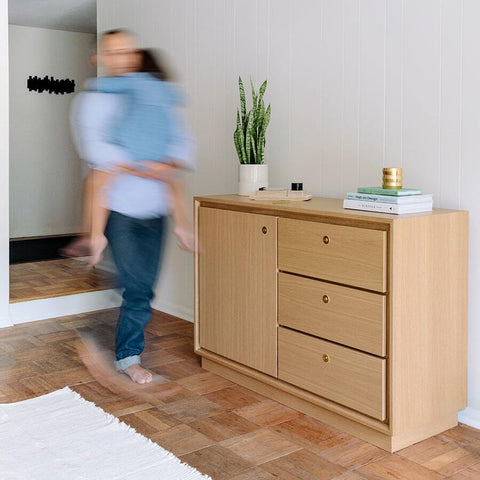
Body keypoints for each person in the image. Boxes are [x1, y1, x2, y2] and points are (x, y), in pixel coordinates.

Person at [70, 30, 195, 384]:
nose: (124, 57)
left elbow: (182, 146)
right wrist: (139, 160)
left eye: (129, 50)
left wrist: (167, 169)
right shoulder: (94, 100)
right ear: (102, 58)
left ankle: (113, 345)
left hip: (155, 209)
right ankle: (126, 357)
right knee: (135, 284)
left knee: (142, 287)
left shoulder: (153, 93)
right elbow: (97, 159)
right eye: (115, 52)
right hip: (118, 208)